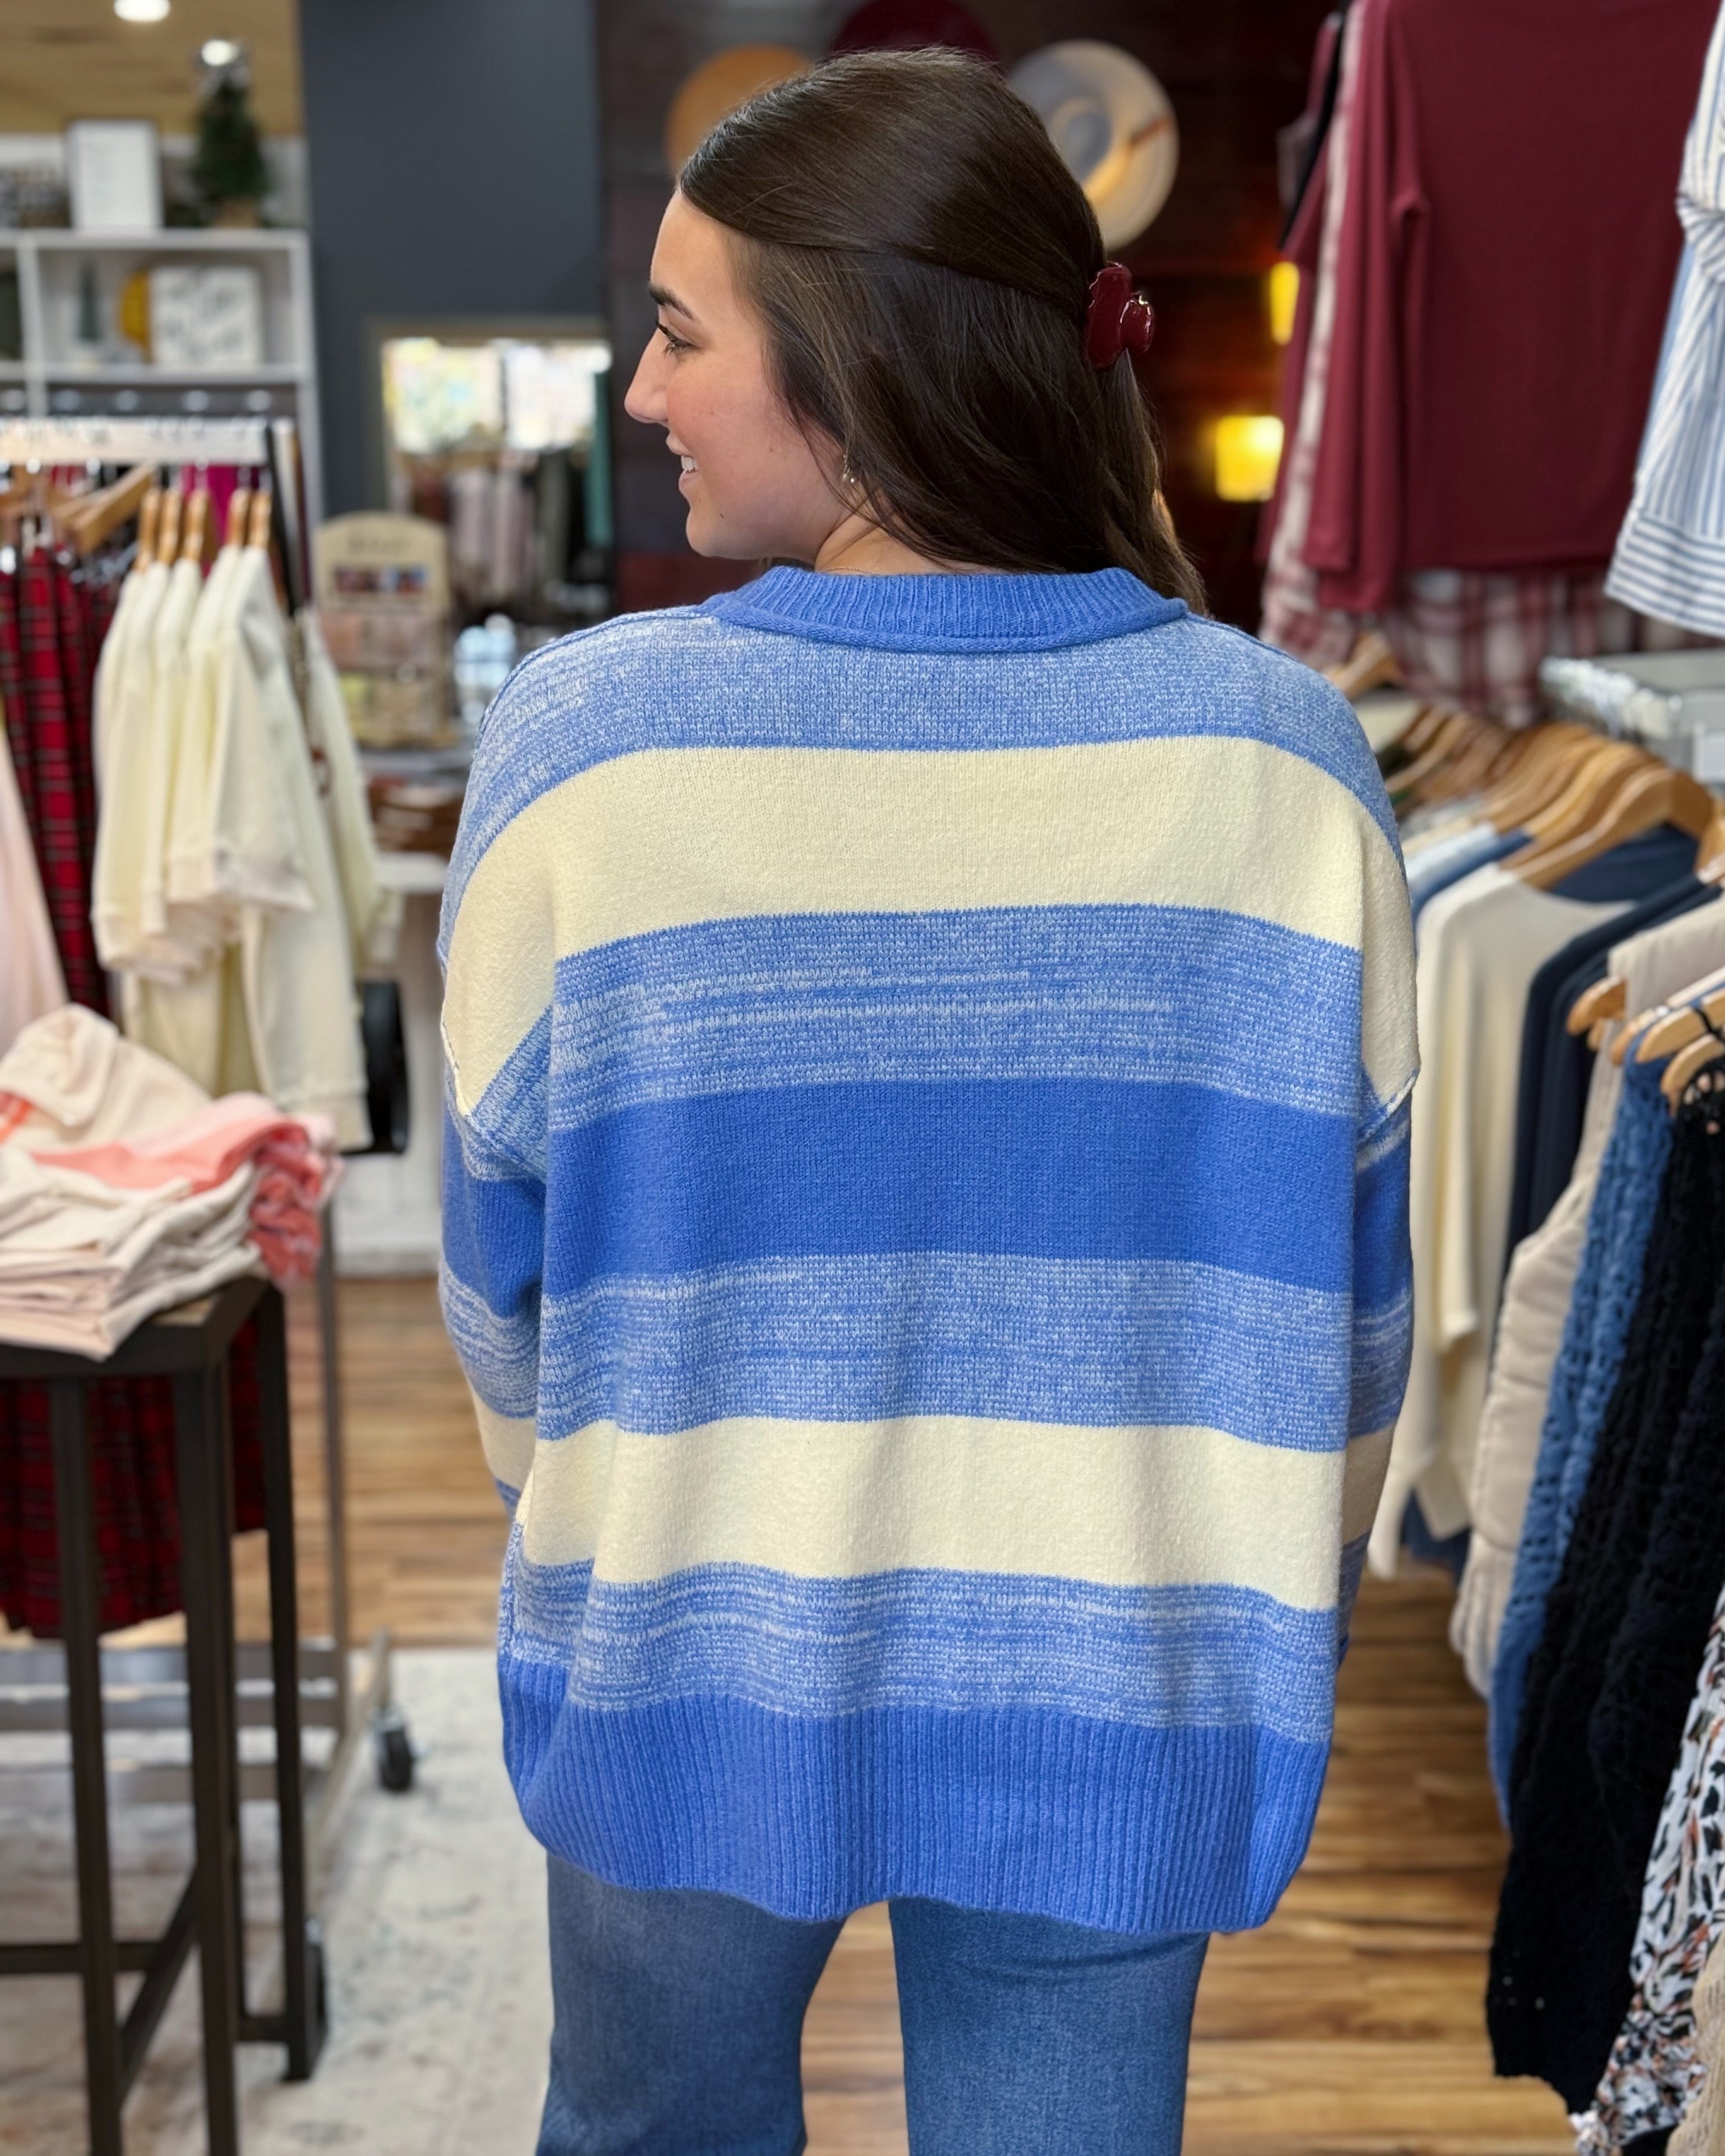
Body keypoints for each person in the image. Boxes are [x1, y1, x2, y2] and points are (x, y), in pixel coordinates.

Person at [439, 47, 1416, 2156]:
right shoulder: (1284, 765)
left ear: (854, 365)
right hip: (1129, 1666)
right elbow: (1350, 1328)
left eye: (683, 331)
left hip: (685, 1645)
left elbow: (503, 1288)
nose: (639, 390)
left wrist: (608, 1514)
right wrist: (1255, 1583)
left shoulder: (586, 751)